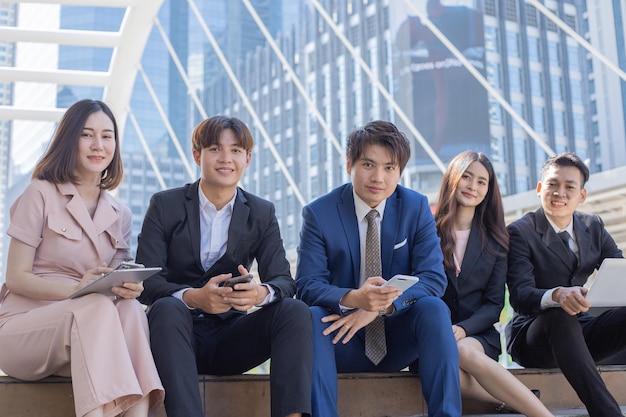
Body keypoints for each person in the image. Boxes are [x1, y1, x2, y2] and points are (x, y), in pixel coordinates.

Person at [136, 115, 312, 417]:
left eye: (235, 150)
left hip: (232, 337)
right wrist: (193, 297)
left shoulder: (261, 212)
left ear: (247, 159)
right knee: (166, 308)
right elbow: (146, 282)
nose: (226, 158)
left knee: (295, 311)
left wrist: (259, 294)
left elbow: (284, 280)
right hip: (176, 337)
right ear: (197, 155)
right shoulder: (165, 205)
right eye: (216, 149)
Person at [0, 99, 164, 417]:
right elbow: (16, 277)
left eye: (107, 136)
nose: (98, 145)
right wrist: (81, 291)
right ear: (69, 139)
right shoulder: (40, 193)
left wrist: (127, 287)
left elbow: (115, 285)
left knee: (130, 309)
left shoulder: (120, 213)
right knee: (96, 305)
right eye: (87, 135)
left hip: (84, 342)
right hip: (23, 333)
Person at [296, 120, 462, 417]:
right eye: (368, 164)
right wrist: (355, 299)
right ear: (349, 163)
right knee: (311, 317)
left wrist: (381, 307)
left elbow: (434, 278)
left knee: (434, 308)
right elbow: (307, 285)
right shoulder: (318, 214)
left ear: (400, 171)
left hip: (397, 336)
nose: (379, 177)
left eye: (390, 168)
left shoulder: (415, 206)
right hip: (342, 336)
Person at [506, 152, 626, 417]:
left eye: (569, 187)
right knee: (559, 316)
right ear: (539, 189)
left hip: (582, 333)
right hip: (534, 336)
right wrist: (557, 295)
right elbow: (520, 296)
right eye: (552, 185)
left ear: (581, 195)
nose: (560, 193)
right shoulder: (520, 231)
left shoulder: (593, 225)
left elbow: (619, 271)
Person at [434, 151, 552, 415]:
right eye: (466, 177)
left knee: (462, 351)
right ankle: (512, 401)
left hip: (477, 336)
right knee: (446, 365)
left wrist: (463, 329)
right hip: (432, 334)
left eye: (481, 181)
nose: (472, 186)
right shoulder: (427, 233)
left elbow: (494, 304)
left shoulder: (497, 241)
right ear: (452, 179)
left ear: (488, 190)